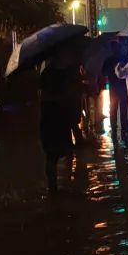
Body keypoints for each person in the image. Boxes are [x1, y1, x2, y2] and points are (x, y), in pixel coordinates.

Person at [38, 48, 84, 194]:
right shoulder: (53, 74)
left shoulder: (56, 73)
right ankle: (55, 187)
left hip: (55, 118)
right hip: (54, 118)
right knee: (54, 154)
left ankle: (58, 186)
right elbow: (47, 96)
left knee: (59, 153)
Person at [103, 44, 128, 146]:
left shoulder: (109, 60)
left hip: (115, 87)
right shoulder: (123, 59)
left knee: (115, 109)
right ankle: (122, 129)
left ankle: (116, 129)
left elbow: (104, 73)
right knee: (119, 108)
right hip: (119, 87)